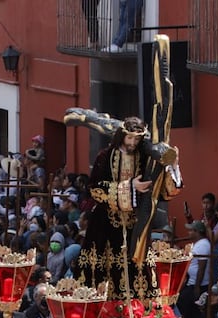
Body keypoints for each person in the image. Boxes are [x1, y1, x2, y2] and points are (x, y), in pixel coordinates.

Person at [74, 115, 181, 301]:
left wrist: (173, 166)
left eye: (137, 138)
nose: (133, 142)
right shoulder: (105, 156)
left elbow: (163, 192)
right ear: (122, 135)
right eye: (129, 137)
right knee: (101, 275)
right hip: (106, 225)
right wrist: (130, 187)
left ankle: (141, 316)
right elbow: (95, 189)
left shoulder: (147, 159)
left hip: (136, 226)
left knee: (140, 273)